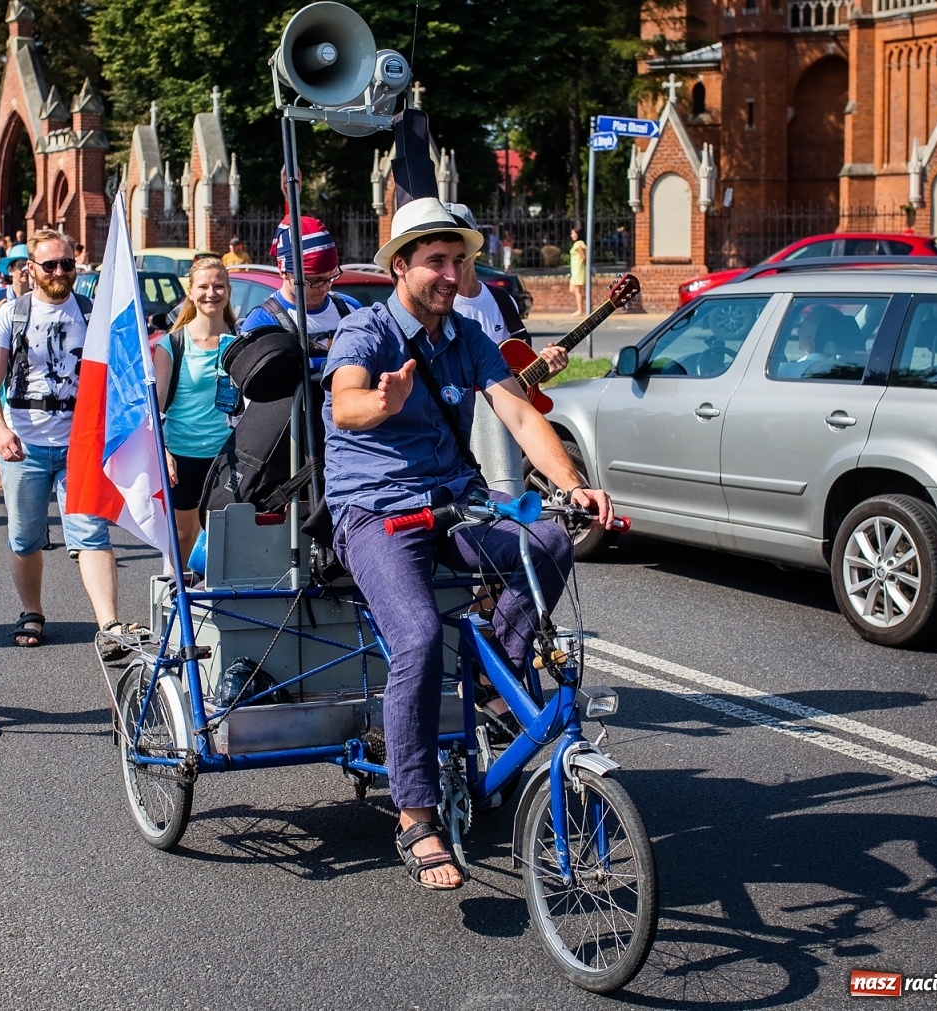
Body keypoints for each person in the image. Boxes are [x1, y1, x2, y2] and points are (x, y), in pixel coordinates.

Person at [322, 197, 614, 891]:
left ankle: (490, 677)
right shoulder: (365, 331)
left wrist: (574, 485)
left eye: (459, 261)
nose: (453, 275)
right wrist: (382, 404)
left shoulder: (469, 336)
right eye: (437, 261)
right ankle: (415, 813)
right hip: (376, 512)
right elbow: (345, 403)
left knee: (547, 542)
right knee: (419, 635)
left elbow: (520, 413)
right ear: (400, 266)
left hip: (453, 502)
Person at [0, 229, 125, 648]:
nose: (60, 272)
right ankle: (32, 612)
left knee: (91, 533)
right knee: (24, 538)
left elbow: (117, 376)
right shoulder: (11, 315)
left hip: (80, 445)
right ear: (31, 269)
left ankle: (110, 626)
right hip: (24, 445)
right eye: (50, 265)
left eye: (67, 264)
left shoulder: (92, 313)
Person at [446, 203, 567, 498]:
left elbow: (522, 376)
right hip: (457, 441)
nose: (452, 253)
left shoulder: (502, 300)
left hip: (505, 440)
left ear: (475, 246)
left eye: (459, 242)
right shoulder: (438, 306)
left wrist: (547, 368)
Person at [153, 257, 237, 565]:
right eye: (203, 287)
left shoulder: (240, 341)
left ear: (228, 291)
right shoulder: (172, 344)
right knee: (183, 535)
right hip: (183, 454)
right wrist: (162, 451)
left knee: (223, 535)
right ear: (190, 292)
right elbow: (155, 407)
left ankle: (214, 593)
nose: (211, 293)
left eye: (219, 286)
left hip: (228, 455)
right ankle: (180, 589)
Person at [240, 216, 360, 369]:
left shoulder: (350, 309)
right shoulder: (262, 323)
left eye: (331, 277)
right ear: (284, 272)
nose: (326, 288)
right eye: (316, 280)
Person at [567, 226, 587, 308]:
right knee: (572, 289)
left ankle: (580, 310)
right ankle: (581, 306)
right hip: (575, 270)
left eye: (573, 233)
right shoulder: (578, 243)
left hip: (578, 270)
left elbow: (584, 257)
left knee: (576, 289)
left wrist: (583, 266)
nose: (572, 235)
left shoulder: (578, 244)